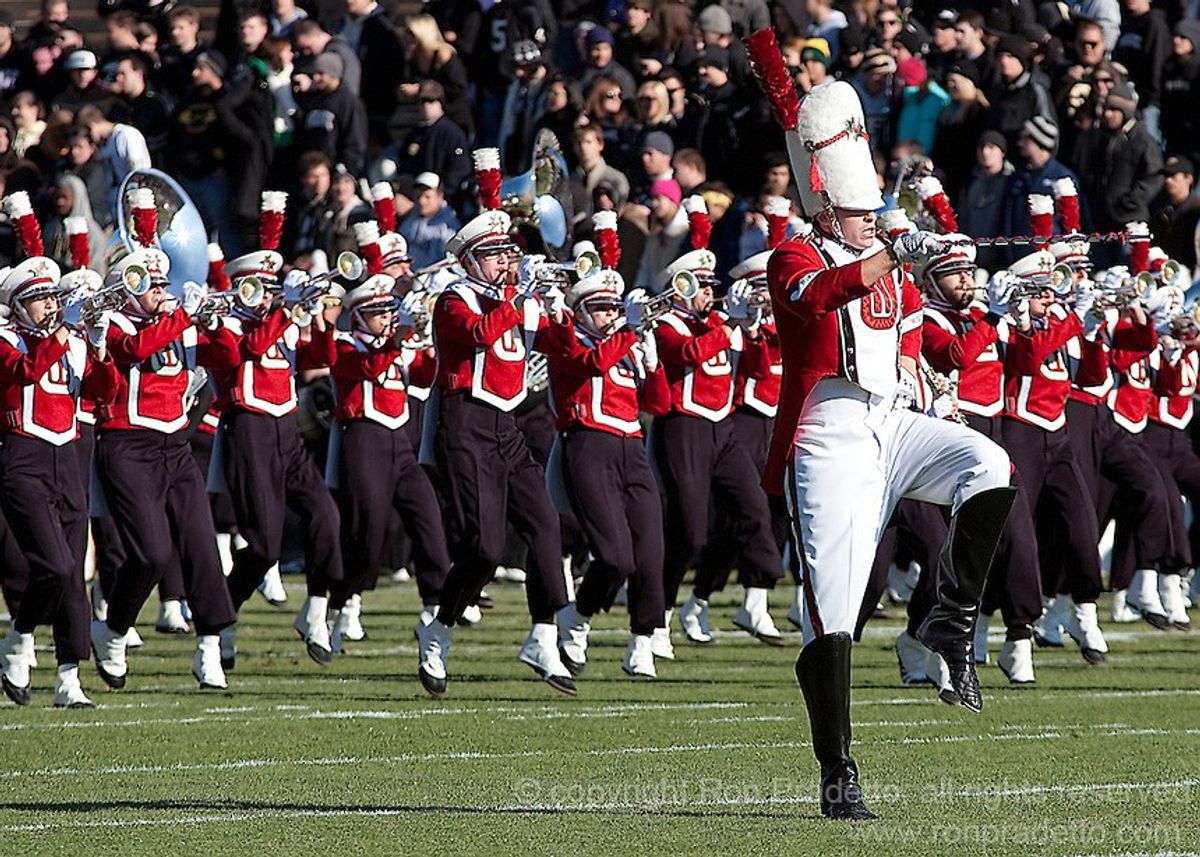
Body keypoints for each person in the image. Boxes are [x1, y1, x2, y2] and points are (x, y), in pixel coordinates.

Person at [763, 81, 1015, 819]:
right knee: (833, 612)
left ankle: (951, 618)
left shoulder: (884, 257)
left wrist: (954, 296)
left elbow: (932, 334)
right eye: (861, 208)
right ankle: (837, 770)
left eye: (876, 209)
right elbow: (817, 298)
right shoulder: (792, 253)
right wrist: (892, 257)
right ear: (827, 206)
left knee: (989, 465)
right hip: (828, 431)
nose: (874, 216)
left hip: (893, 420)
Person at [416, 148, 574, 698]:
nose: (507, 262)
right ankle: (439, 627)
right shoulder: (454, 298)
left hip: (506, 424)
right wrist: (520, 295)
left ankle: (543, 634)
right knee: (483, 548)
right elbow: (480, 334)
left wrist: (561, 311)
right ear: (469, 260)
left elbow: (555, 346)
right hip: (465, 423)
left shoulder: (508, 294)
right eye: (495, 254)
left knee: (545, 525)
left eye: (509, 253)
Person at [88, 229, 238, 692]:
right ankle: (113, 629)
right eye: (151, 285)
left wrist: (212, 324)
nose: (161, 293)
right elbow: (134, 350)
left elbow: (230, 361)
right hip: (127, 445)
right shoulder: (114, 324)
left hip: (175, 446)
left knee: (201, 546)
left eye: (163, 286)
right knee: (150, 553)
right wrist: (184, 315)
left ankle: (210, 643)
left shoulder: (174, 320)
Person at [208, 194, 345, 668]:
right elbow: (247, 350)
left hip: (286, 431)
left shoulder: (278, 320)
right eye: (260, 286)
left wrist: (323, 321)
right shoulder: (223, 321)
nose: (268, 294)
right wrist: (285, 310)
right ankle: (221, 619)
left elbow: (317, 360)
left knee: (326, 517)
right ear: (242, 286)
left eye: (272, 286)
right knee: (263, 544)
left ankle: (316, 610)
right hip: (248, 430)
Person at [651, 198, 785, 647]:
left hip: (723, 429)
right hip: (684, 428)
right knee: (689, 533)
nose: (712, 293)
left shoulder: (725, 323)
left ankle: (759, 588)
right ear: (683, 287)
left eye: (713, 285)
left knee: (754, 507)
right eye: (703, 286)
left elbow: (762, 366)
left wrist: (751, 329)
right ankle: (657, 615)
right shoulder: (668, 323)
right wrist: (730, 321)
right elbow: (687, 355)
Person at [0, 211, 116, 708]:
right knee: (55, 565)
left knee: (74, 573)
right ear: (18, 307)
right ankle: (21, 636)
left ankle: (69, 674)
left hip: (67, 454)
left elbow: (102, 392)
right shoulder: (6, 340)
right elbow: (25, 372)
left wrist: (99, 346)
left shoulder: (65, 341)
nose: (50, 305)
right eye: (40, 300)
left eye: (51, 297)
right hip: (21, 456)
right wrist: (59, 333)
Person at [544, 239, 670, 676]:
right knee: (615, 556)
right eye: (601, 308)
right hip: (587, 446)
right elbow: (592, 363)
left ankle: (642, 640)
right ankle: (577, 617)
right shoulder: (565, 338)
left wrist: (652, 363)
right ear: (578, 310)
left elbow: (659, 404)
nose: (611, 316)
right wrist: (630, 334)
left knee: (652, 551)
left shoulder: (624, 343)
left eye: (614, 308)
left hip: (632, 448)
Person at [327, 235, 450, 649]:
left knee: (428, 522)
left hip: (400, 442)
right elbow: (360, 370)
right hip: (363, 439)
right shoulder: (345, 345)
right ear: (360, 315)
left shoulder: (396, 344)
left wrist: (429, 343)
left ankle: (434, 607)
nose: (387, 318)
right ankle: (340, 601)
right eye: (378, 313)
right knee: (369, 534)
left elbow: (423, 375)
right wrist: (395, 344)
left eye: (388, 311)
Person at [295, 51, 367, 177]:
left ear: (333, 74)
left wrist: (346, 168)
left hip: (337, 170)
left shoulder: (348, 102)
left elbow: (355, 139)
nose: (316, 78)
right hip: (312, 170)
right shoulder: (312, 99)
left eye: (321, 74)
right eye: (314, 73)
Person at [397, 172, 460, 270]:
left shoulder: (448, 227)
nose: (422, 201)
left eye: (427, 197)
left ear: (440, 196)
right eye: (418, 196)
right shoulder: (410, 220)